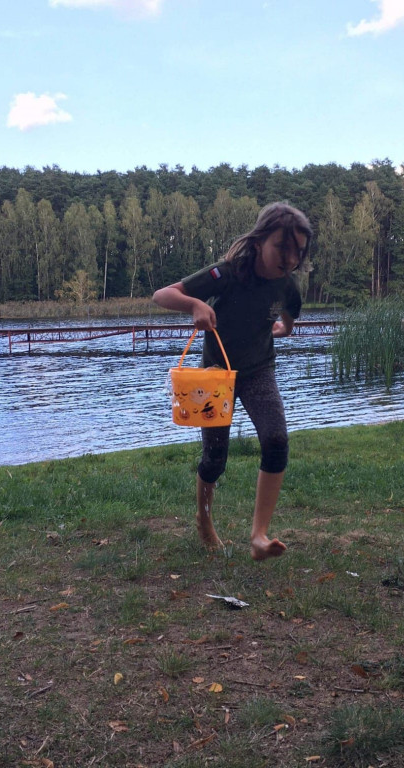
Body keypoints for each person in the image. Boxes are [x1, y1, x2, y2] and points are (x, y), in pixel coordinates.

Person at [152, 202, 312, 561]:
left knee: (276, 440)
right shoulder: (227, 274)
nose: (289, 259)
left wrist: (283, 329)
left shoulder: (289, 286)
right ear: (259, 242)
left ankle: (258, 536)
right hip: (216, 379)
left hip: (259, 372)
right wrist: (194, 306)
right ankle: (204, 520)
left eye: (297, 252)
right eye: (281, 249)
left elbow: (288, 319)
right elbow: (163, 295)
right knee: (215, 458)